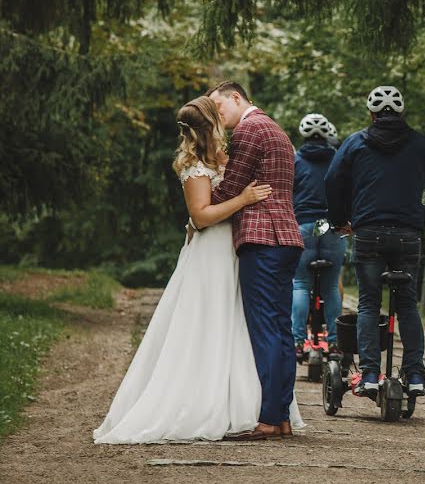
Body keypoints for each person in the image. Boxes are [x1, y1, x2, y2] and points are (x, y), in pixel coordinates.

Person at [94, 96, 304, 443]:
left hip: (237, 248)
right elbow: (201, 216)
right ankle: (215, 402)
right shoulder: (193, 165)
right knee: (212, 323)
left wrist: (242, 200)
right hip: (212, 253)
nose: (223, 117)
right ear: (210, 123)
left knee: (243, 326)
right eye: (217, 114)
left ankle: (260, 409)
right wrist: (242, 200)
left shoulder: (227, 157)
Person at [324, 86, 425, 398]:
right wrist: (422, 220)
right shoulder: (420, 144)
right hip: (408, 234)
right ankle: (416, 374)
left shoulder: (355, 143)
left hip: (368, 232)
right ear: (401, 113)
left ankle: (370, 374)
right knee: (407, 304)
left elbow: (332, 181)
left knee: (368, 302)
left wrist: (340, 221)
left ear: (372, 114)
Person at [207, 81, 306, 441]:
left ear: (236, 98)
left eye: (219, 108)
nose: (219, 117)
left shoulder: (249, 130)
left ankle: (268, 418)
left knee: (265, 330)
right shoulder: (274, 127)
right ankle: (280, 416)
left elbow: (231, 187)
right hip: (286, 237)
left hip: (263, 237)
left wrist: (201, 205)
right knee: (280, 330)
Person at [291, 113, 346, 354]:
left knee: (301, 284)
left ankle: (297, 341)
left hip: (303, 225)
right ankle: (334, 342)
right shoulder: (338, 158)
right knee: (331, 286)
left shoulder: (294, 160)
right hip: (331, 225)